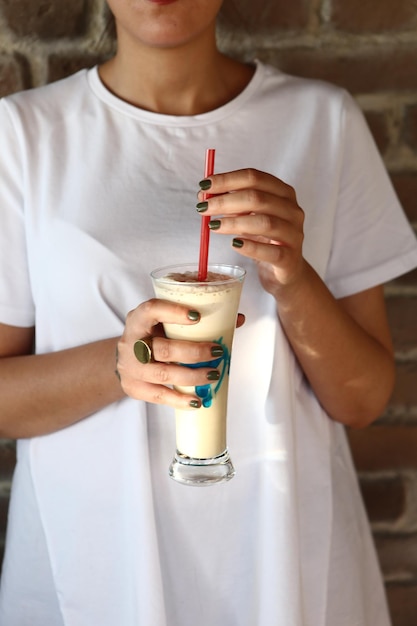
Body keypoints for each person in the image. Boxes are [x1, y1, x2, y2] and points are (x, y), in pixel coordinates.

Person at [0, 1, 416, 624]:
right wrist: (121, 367)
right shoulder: (24, 134)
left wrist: (292, 277)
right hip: (93, 563)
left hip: (284, 555)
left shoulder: (322, 121)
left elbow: (362, 400)